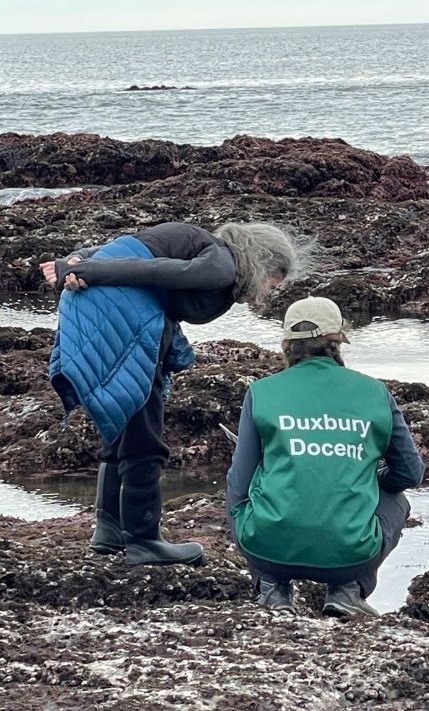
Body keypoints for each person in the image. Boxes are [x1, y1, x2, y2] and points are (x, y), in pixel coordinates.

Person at [40, 221, 310, 567]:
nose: (272, 289)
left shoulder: (208, 251)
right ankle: (143, 541)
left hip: (103, 304)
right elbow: (152, 270)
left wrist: (77, 260)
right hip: (119, 308)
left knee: (126, 419)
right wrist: (81, 269)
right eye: (276, 279)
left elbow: (123, 247)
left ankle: (109, 531)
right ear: (262, 261)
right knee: (145, 436)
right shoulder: (222, 266)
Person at [226, 296, 424, 617]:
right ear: (338, 340)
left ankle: (271, 588)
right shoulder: (375, 392)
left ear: (287, 343)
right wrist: (372, 480)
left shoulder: (261, 392)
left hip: (267, 552)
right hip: (351, 557)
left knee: (244, 489)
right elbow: (410, 473)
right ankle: (349, 589)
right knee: (396, 500)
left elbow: (239, 481)